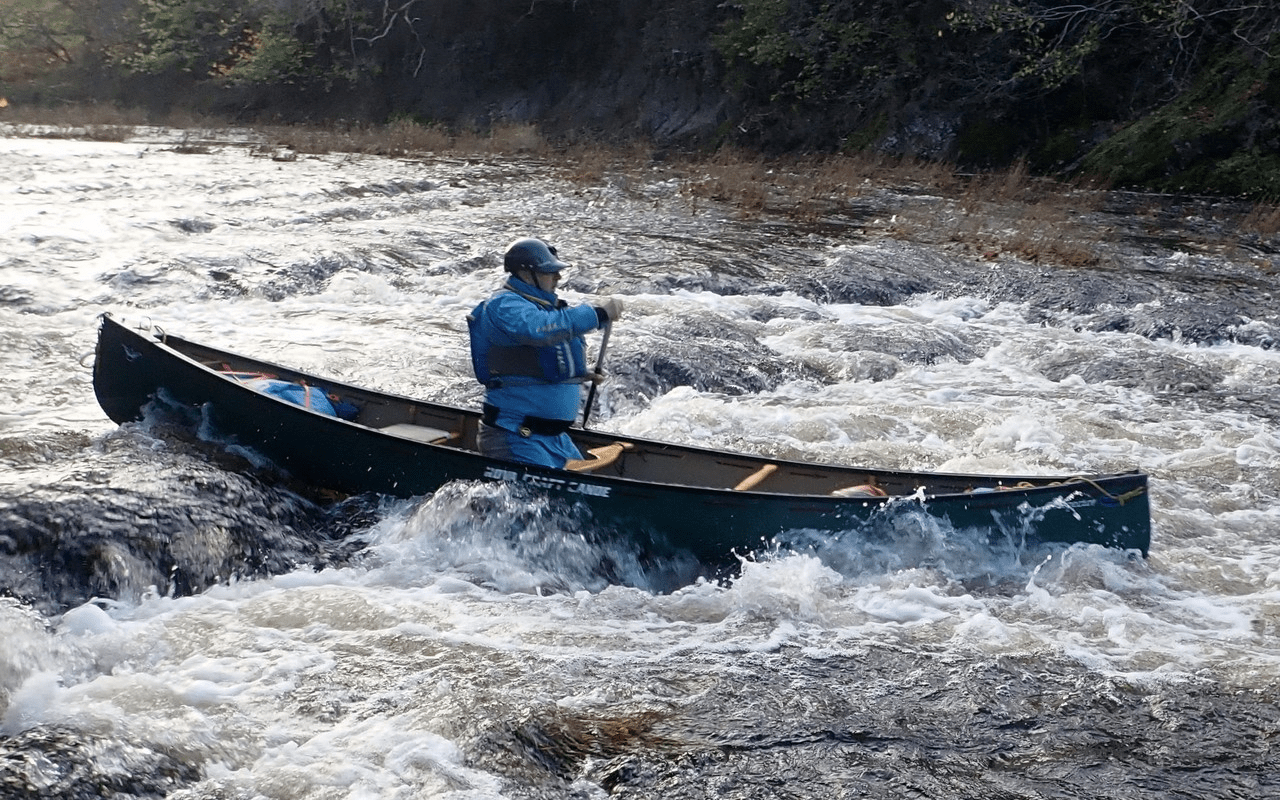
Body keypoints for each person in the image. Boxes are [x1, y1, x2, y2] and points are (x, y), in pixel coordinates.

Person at [467, 237, 623, 468]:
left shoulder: (540, 307)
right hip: (516, 436)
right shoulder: (504, 305)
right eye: (550, 272)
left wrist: (577, 375)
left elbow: (536, 361)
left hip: (553, 438)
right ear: (526, 275)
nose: (558, 278)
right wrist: (595, 314)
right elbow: (539, 329)